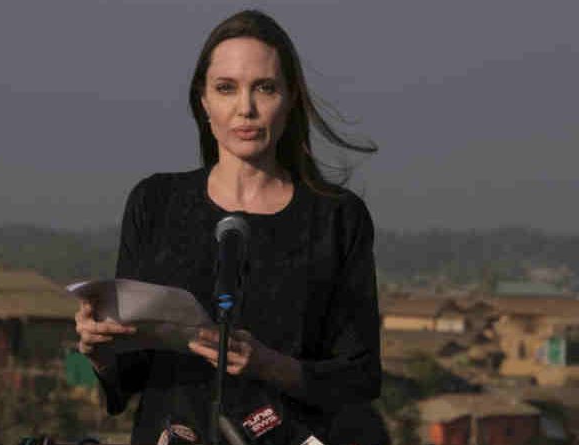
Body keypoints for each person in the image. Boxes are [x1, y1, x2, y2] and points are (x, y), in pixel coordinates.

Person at [75, 9, 382, 445]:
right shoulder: (156, 202)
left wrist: (267, 363)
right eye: (226, 89)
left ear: (291, 98)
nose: (246, 108)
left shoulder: (336, 217)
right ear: (203, 101)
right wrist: (101, 352)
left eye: (265, 88)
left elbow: (360, 377)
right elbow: (132, 378)